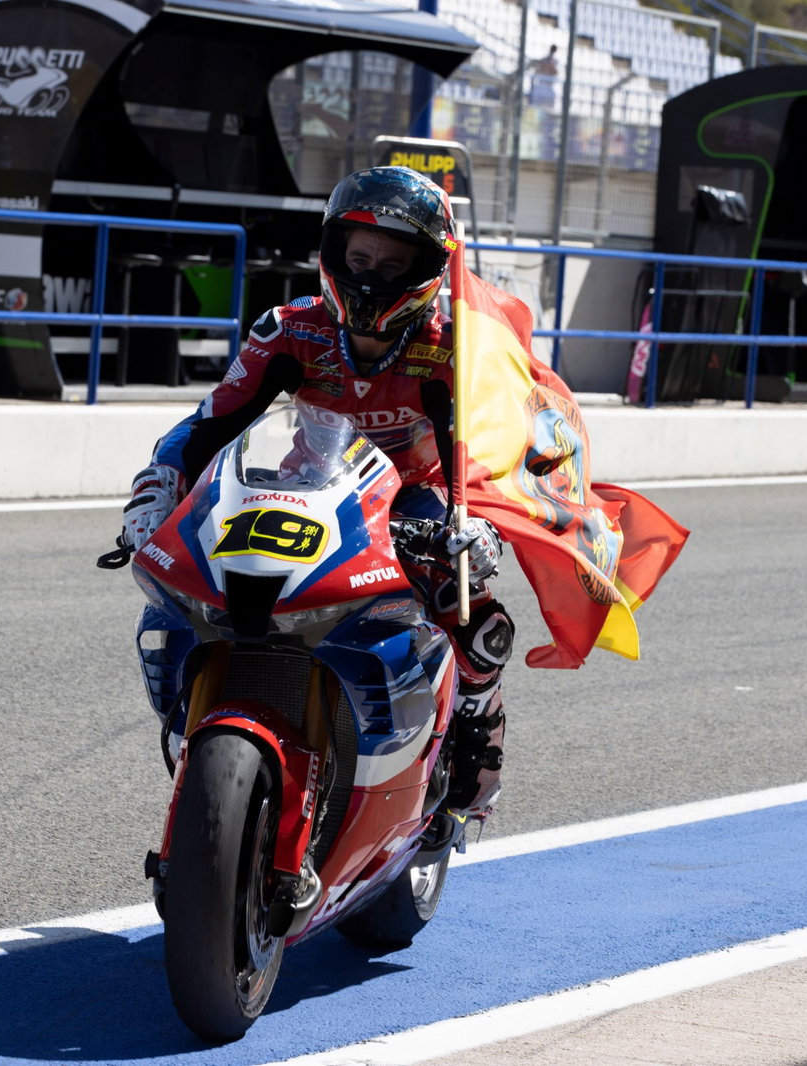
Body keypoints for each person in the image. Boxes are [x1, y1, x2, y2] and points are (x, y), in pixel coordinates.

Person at [119, 166, 512, 823]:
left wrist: (480, 522)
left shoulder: (456, 350)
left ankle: (474, 728)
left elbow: (487, 453)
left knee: (475, 621)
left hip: (411, 504)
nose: (371, 276)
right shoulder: (288, 329)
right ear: (333, 254)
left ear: (426, 269)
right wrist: (158, 483)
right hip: (308, 486)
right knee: (204, 592)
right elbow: (210, 424)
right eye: (359, 258)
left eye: (393, 263)